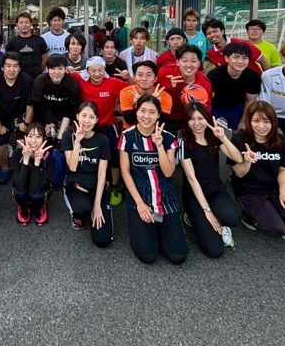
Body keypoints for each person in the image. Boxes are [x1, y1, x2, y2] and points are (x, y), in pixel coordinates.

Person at [119, 95, 187, 264]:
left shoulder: (168, 138)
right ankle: (149, 228)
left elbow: (168, 172)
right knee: (148, 256)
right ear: (136, 112)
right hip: (140, 197)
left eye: (152, 112)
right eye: (142, 111)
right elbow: (125, 172)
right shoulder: (127, 136)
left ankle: (163, 226)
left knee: (178, 256)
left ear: (158, 115)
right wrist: (140, 204)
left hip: (165, 198)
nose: (146, 116)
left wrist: (159, 146)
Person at [228, 102, 285, 241]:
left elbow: (284, 169)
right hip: (249, 190)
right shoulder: (240, 139)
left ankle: (278, 216)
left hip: (273, 188)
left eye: (266, 121)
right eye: (256, 120)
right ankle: (248, 216)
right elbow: (239, 173)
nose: (261, 126)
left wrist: (284, 192)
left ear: (273, 121)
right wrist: (247, 161)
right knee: (276, 229)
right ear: (249, 121)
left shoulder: (281, 141)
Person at [177, 103, 244, 257]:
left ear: (207, 119)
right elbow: (191, 179)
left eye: (200, 118)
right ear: (186, 121)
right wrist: (207, 211)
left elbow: (238, 158)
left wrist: (223, 137)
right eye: (192, 119)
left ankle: (218, 219)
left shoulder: (213, 136)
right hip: (194, 194)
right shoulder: (183, 142)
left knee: (233, 218)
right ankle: (191, 216)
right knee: (214, 250)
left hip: (215, 190)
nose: (197, 123)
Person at [73, 56, 127, 205]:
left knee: (114, 155)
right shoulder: (80, 79)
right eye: (93, 70)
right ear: (87, 71)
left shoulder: (114, 83)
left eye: (100, 70)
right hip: (87, 125)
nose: (97, 74)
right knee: (85, 156)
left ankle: (114, 186)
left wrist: (128, 78)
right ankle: (85, 182)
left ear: (105, 70)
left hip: (107, 124)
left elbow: (133, 88)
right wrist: (67, 70)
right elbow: (63, 74)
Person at [61, 102, 114, 247]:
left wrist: (97, 205)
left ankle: (94, 206)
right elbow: (72, 167)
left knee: (102, 240)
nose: (87, 120)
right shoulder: (68, 135)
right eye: (83, 115)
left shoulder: (102, 140)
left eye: (91, 117)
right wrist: (78, 141)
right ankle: (79, 215)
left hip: (96, 188)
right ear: (77, 116)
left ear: (96, 120)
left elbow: (102, 174)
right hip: (76, 186)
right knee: (82, 208)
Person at [0, 51, 35, 181]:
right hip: (1, 117)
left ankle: (20, 168)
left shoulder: (27, 80)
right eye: (8, 66)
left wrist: (26, 123)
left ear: (20, 68)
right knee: (0, 143)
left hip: (20, 116)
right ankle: (5, 168)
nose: (11, 69)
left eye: (15, 66)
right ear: (2, 67)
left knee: (22, 142)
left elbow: (30, 105)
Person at [157, 44, 213, 132]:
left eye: (193, 61)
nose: (189, 65)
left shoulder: (205, 83)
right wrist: (166, 85)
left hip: (190, 120)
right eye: (184, 61)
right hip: (165, 116)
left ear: (199, 63)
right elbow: (148, 88)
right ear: (177, 62)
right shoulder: (164, 72)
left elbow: (207, 107)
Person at [207, 42, 261, 131]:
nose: (240, 62)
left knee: (238, 131)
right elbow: (208, 98)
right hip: (215, 106)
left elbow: (250, 100)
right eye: (235, 57)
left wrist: (243, 121)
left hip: (237, 107)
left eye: (244, 58)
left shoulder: (253, 77)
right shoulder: (214, 75)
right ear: (226, 58)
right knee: (210, 131)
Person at [11, 123, 56, 226]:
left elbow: (34, 189)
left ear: (44, 139)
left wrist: (36, 163)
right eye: (30, 136)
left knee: (36, 196)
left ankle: (39, 208)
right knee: (20, 193)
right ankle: (23, 208)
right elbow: (20, 185)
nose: (33, 141)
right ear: (25, 138)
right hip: (22, 186)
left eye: (38, 137)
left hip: (38, 188)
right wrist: (26, 160)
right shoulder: (17, 154)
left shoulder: (50, 158)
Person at [203, 18, 269, 75]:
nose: (212, 35)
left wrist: (268, 80)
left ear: (222, 31)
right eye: (208, 33)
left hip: (255, 81)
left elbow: (263, 61)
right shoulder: (211, 53)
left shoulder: (242, 44)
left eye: (215, 31)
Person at [119, 61, 172, 130]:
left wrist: (155, 103)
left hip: (155, 131)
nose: (144, 79)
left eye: (149, 75)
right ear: (134, 78)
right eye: (140, 75)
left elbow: (163, 123)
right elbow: (129, 121)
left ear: (155, 79)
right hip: (130, 130)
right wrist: (137, 105)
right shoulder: (126, 92)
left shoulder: (164, 96)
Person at [6, 12, 48, 77]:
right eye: (21, 22)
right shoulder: (12, 42)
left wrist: (39, 71)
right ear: (17, 25)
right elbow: (8, 61)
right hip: (18, 78)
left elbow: (44, 60)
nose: (24, 25)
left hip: (36, 77)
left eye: (26, 22)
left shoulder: (40, 40)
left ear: (31, 24)